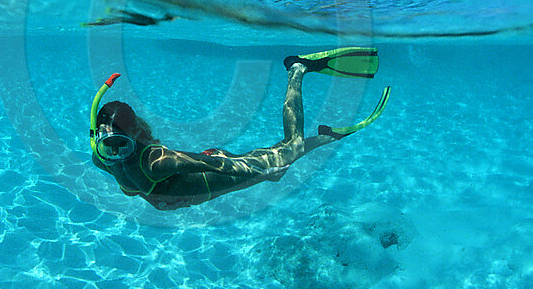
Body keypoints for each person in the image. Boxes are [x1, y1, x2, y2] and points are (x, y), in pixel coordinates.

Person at [89, 48, 390, 211]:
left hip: (217, 173)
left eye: (122, 144)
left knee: (290, 150)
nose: (117, 154)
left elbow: (215, 164)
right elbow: (141, 186)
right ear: (98, 138)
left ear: (137, 135)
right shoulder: (101, 159)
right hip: (209, 187)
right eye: (109, 145)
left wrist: (258, 171)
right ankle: (324, 135)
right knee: (282, 166)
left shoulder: (158, 162)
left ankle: (297, 69)